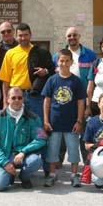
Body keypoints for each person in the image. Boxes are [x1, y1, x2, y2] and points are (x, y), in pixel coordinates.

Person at [0, 23, 54, 175]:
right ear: (16, 36)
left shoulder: (39, 52)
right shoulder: (10, 54)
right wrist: (5, 101)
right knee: (13, 129)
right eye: (20, 35)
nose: (23, 38)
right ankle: (11, 162)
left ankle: (46, 167)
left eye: (25, 35)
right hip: (15, 97)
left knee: (39, 129)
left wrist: (45, 71)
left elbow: (52, 68)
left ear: (31, 35)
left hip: (34, 96)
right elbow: (5, 80)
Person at [52, 26, 96, 167]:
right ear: (66, 38)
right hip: (63, 101)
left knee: (84, 133)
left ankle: (87, 163)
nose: (72, 38)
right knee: (64, 131)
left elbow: (92, 81)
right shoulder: (57, 56)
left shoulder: (90, 55)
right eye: (69, 35)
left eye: (75, 35)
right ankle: (58, 160)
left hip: (82, 101)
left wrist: (88, 103)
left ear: (79, 36)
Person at [0, 87, 46, 191]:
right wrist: (5, 163)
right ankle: (9, 174)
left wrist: (24, 151)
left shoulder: (34, 118)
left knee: (36, 160)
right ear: (7, 99)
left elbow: (41, 139)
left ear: (23, 99)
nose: (17, 100)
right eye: (13, 98)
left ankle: (24, 177)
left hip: (24, 155)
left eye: (19, 98)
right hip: (5, 155)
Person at [42, 49, 86, 188]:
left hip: (71, 123)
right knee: (53, 149)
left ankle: (74, 175)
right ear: (57, 61)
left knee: (73, 149)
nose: (64, 63)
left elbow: (80, 102)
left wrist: (79, 121)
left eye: (67, 61)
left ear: (72, 62)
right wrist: (46, 120)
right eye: (61, 60)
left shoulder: (76, 81)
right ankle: (52, 174)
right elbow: (47, 101)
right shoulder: (52, 80)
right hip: (55, 123)